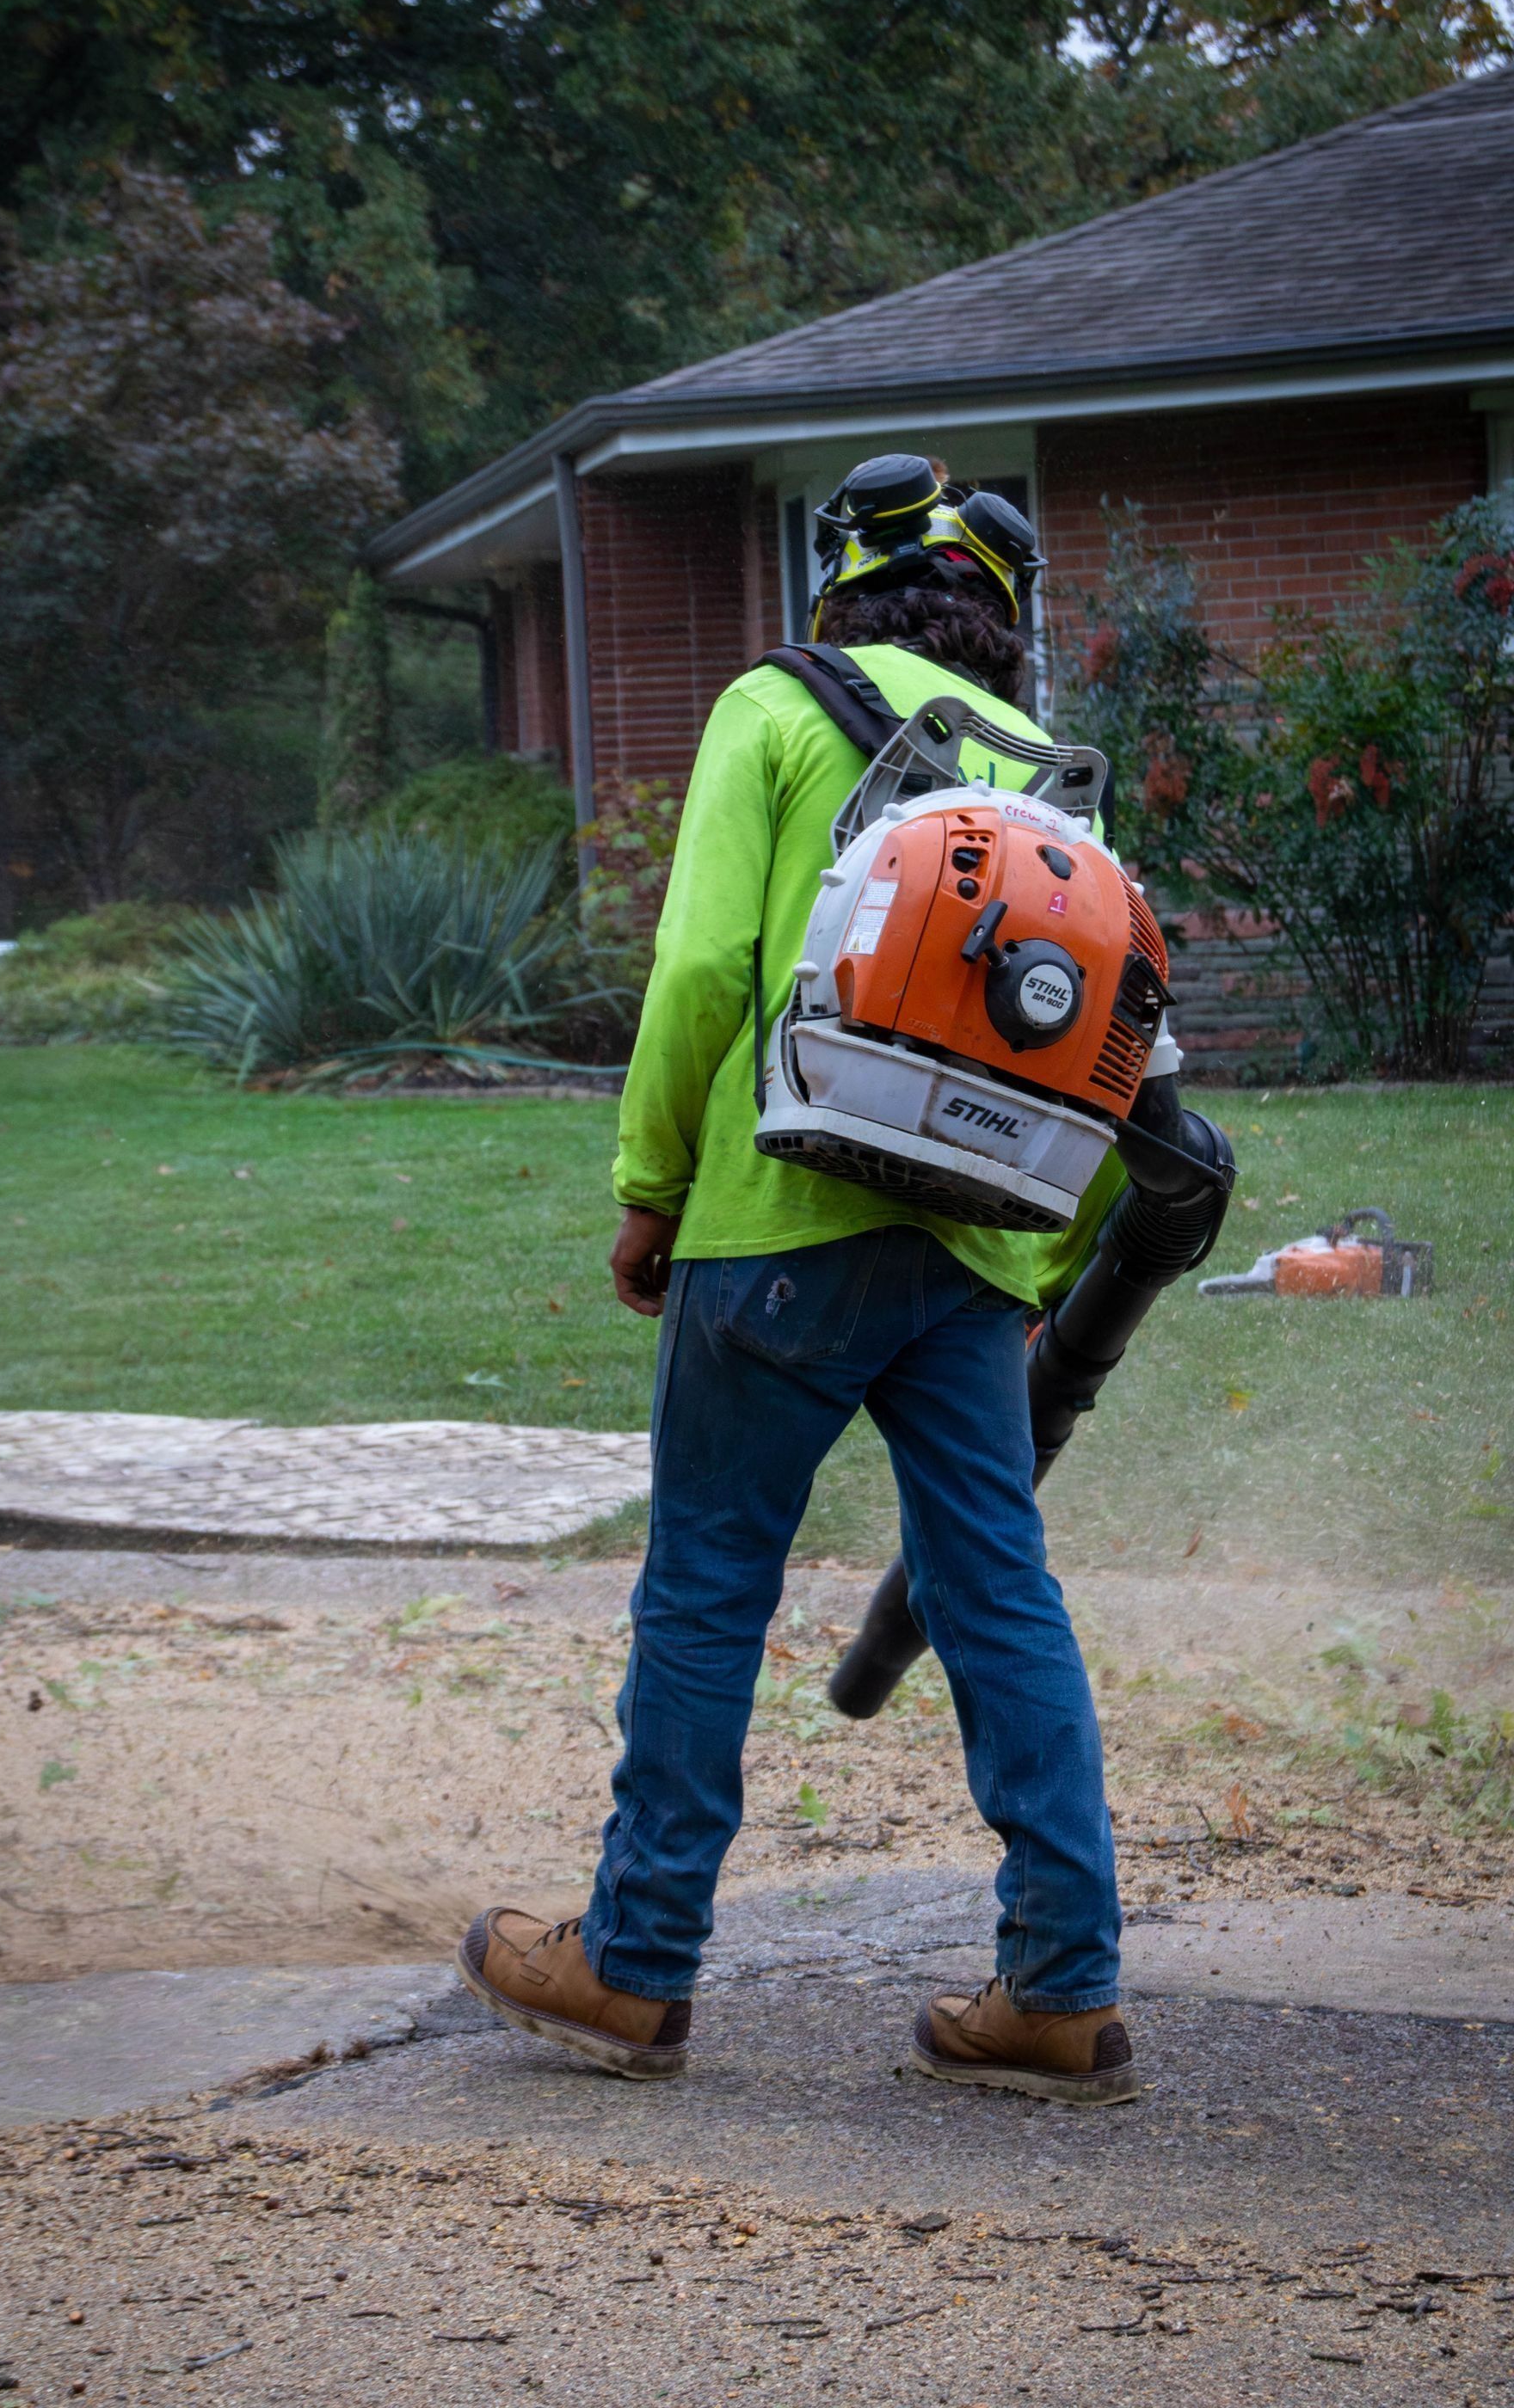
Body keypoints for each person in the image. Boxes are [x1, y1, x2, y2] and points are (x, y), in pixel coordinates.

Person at [458, 453, 1140, 2106]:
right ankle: (1061, 1989)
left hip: (773, 1224)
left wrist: (648, 1190)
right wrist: (1037, 1258)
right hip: (973, 1249)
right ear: (998, 620)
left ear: (842, 584)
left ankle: (632, 1970)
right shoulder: (1049, 775)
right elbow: (1112, 1038)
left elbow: (702, 968)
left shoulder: (777, 702)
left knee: (704, 1593)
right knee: (998, 1595)